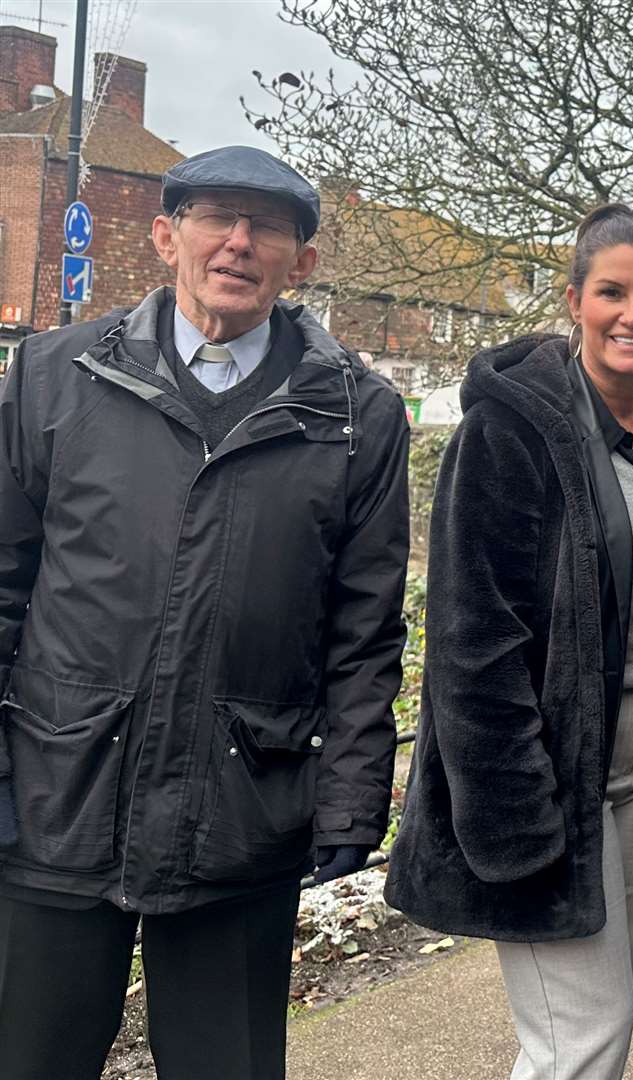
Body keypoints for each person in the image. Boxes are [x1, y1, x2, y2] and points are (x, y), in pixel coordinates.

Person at [0, 146, 410, 1079]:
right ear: (164, 237)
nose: (238, 242)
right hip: (57, 790)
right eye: (215, 217)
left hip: (240, 806)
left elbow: (363, 627)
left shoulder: (356, 415)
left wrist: (349, 795)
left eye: (266, 226)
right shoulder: (56, 377)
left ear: (301, 261)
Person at [386, 204, 633, 1080]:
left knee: (603, 1021)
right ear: (574, 299)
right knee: (580, 1037)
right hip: (547, 769)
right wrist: (509, 809)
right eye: (612, 292)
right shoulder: (510, 430)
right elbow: (473, 639)